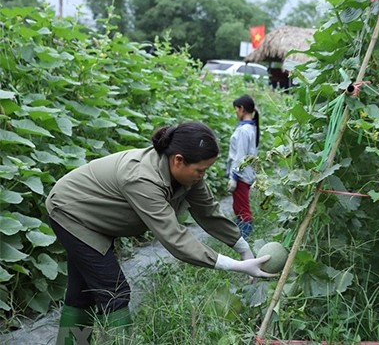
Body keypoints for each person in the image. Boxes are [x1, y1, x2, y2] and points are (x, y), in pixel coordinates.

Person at [46, 121, 275, 344]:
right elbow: (174, 238)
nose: (202, 175)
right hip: (72, 213)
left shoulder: (188, 176)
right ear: (178, 160)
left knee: (83, 293)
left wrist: (244, 250)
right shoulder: (142, 178)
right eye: (200, 170)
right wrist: (235, 265)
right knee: (114, 292)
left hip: (96, 218)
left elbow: (208, 213)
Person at [226, 95, 259, 240]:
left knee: (242, 209)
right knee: (239, 206)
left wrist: (234, 177)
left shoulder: (243, 130)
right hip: (247, 173)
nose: (236, 113)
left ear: (242, 109)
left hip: (240, 175)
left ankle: (244, 237)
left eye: (236, 110)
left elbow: (240, 156)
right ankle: (239, 234)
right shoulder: (252, 128)